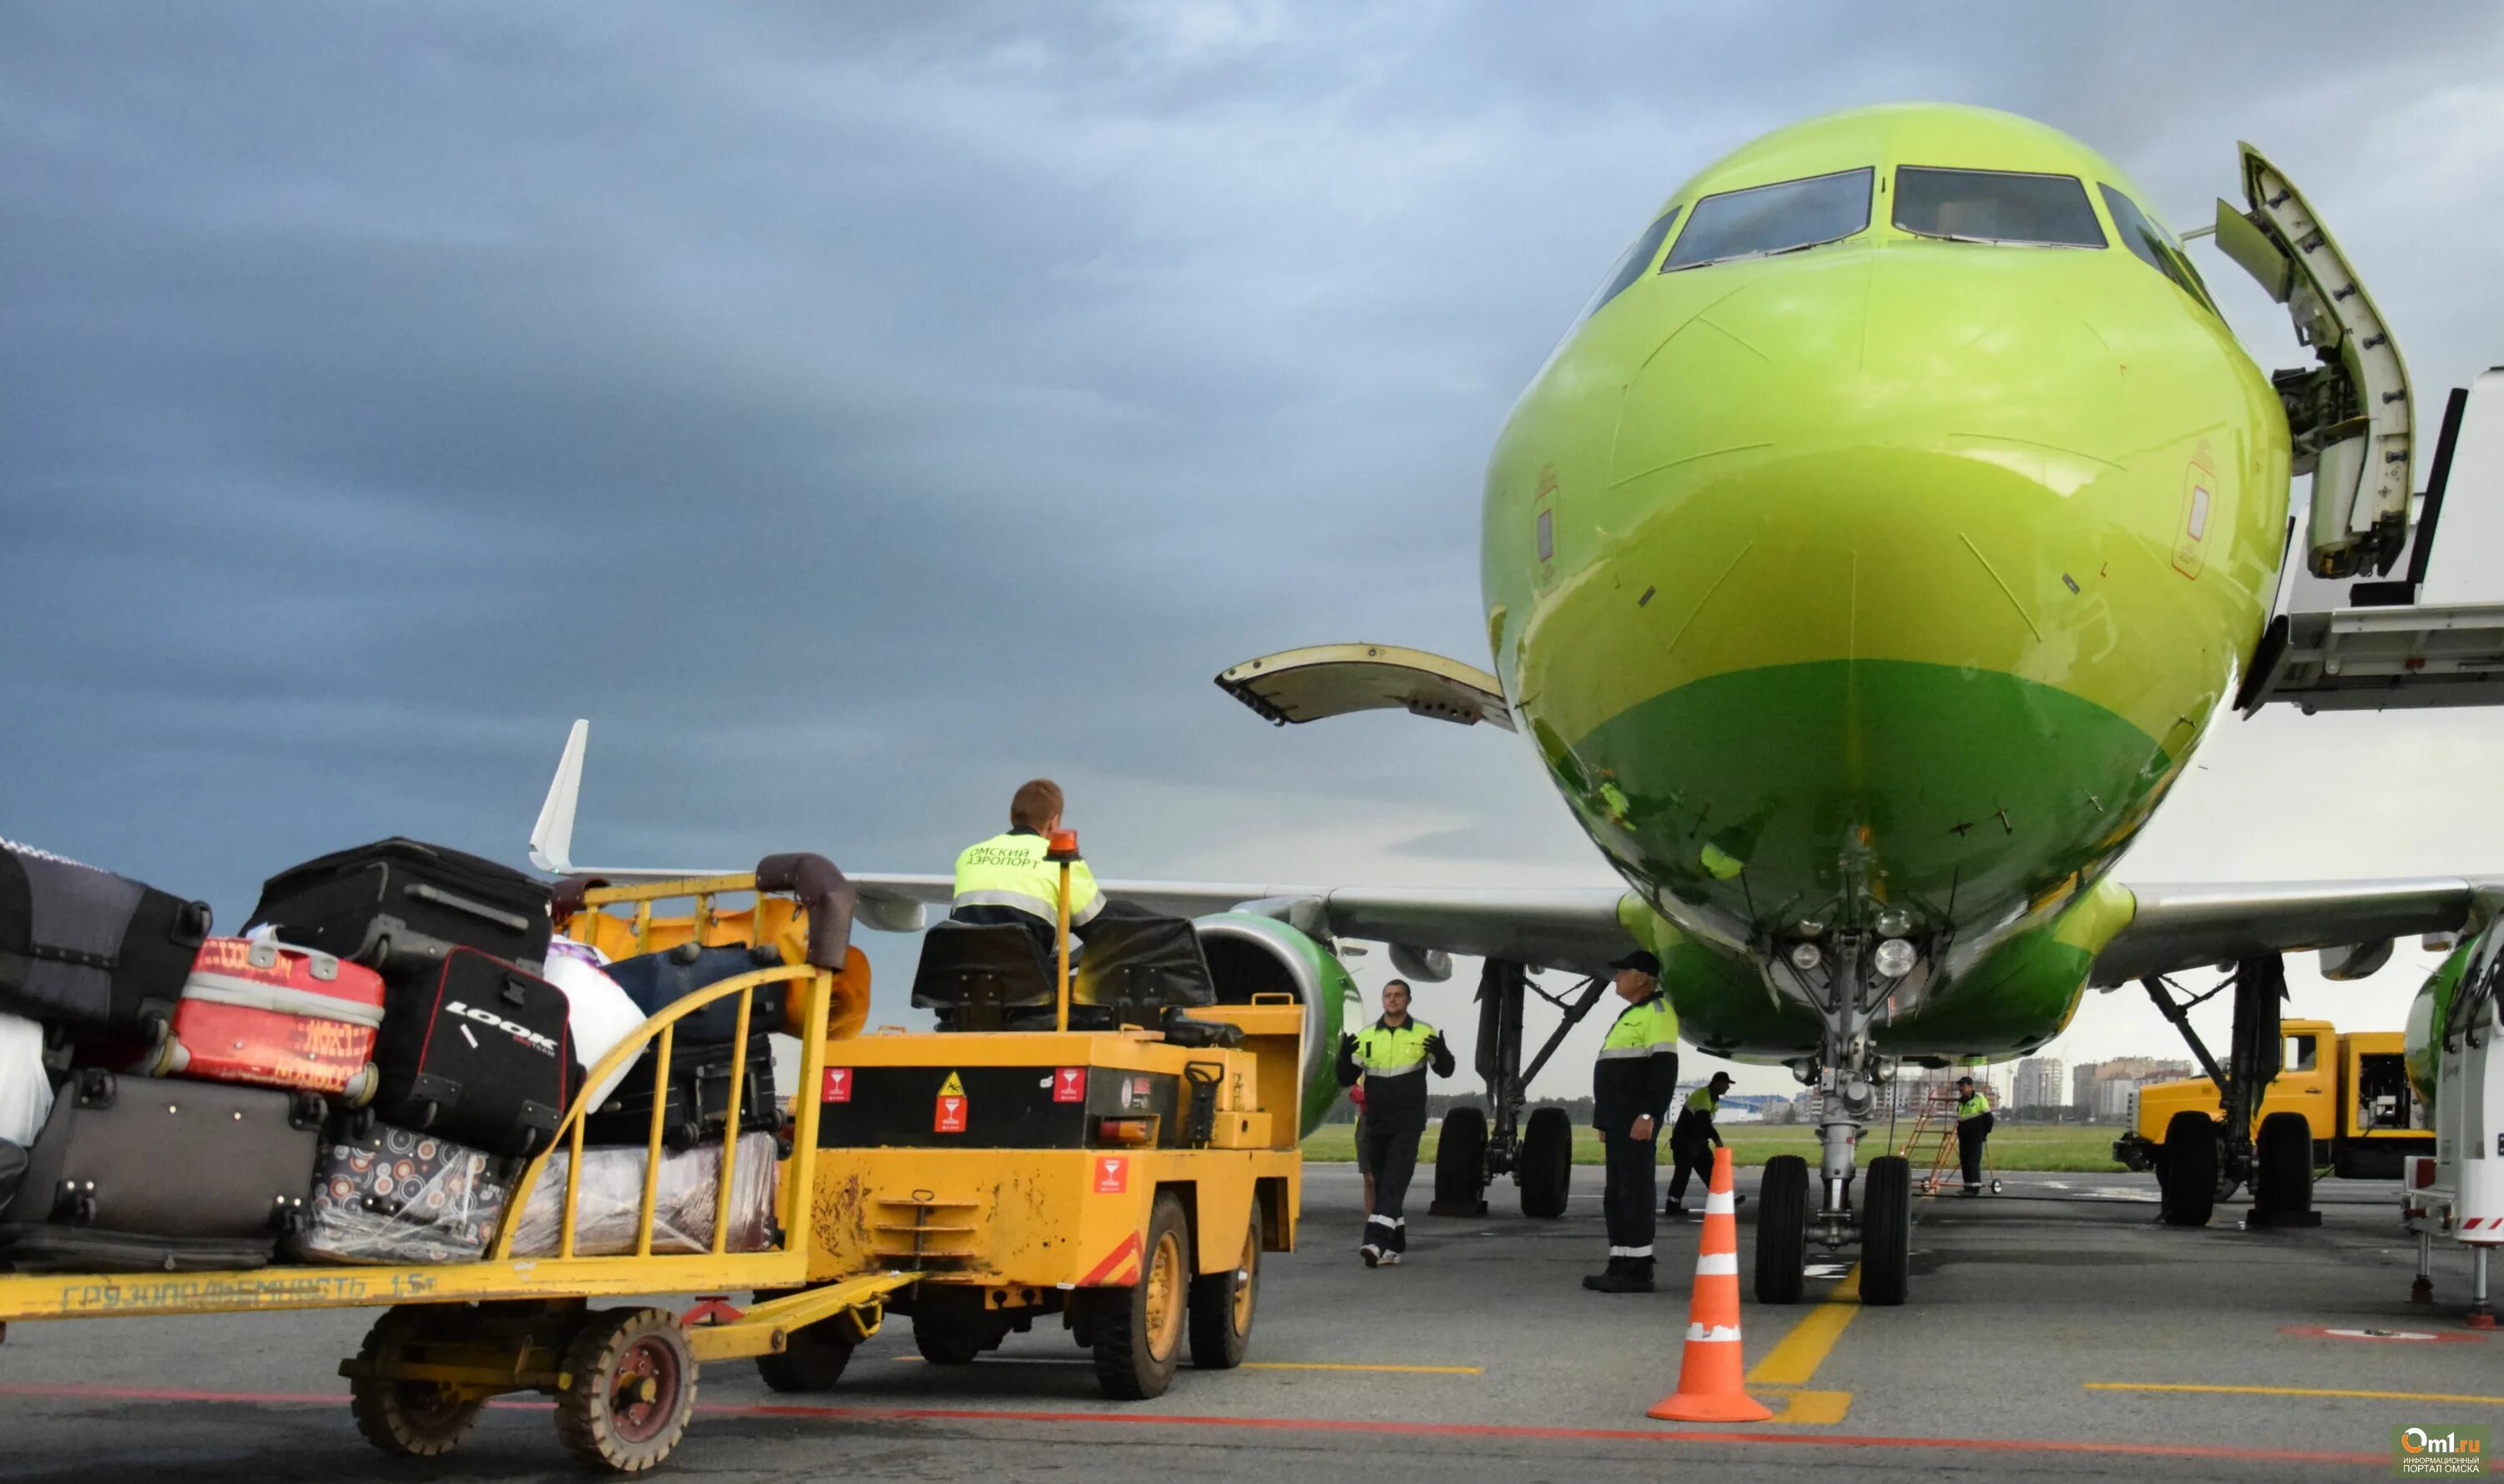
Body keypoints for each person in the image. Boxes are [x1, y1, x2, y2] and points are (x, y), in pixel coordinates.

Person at [1335, 980, 1453, 1266]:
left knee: (1394, 1181)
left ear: (1408, 1000)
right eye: (1388, 995)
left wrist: (1442, 1052)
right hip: (1376, 1122)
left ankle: (1374, 1241)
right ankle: (1394, 1244)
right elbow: (1345, 1079)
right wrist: (1343, 1057)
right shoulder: (1366, 1036)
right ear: (1382, 1001)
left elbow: (1446, 1071)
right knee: (1382, 1180)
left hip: (1407, 1122)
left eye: (1398, 995)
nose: (1393, 1000)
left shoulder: (1423, 1032)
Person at [1584, 950, 1679, 1294]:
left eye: (1623, 972)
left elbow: (1664, 1069)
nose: (1616, 977)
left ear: (1642, 977)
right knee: (1617, 1194)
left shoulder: (1657, 1013)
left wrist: (1648, 1114)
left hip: (1634, 1121)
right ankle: (1619, 1263)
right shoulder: (1633, 1014)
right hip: (1618, 1121)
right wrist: (1604, 1121)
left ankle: (1638, 1269)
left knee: (1634, 1192)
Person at [950, 779, 1106, 959]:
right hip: (1028, 981)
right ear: (1054, 823)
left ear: (1011, 816)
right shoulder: (1062, 860)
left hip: (964, 979)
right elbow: (1099, 928)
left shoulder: (969, 856)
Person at [1663, 1071, 1735, 1218]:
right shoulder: (1703, 1096)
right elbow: (1703, 1121)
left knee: (1711, 1172)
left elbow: (1704, 1124)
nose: (1728, 1088)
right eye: (1726, 1084)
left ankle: (1722, 1200)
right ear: (1717, 1083)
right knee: (1682, 1174)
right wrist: (1717, 1139)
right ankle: (1672, 1205)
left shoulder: (1713, 1100)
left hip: (1698, 1143)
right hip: (1685, 1142)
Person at [1956, 1075, 1994, 1194]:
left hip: (1975, 1136)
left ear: (1970, 1087)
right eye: (1960, 1086)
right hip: (1964, 1137)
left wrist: (1984, 1133)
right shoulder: (1961, 1102)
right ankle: (1968, 1187)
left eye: (1963, 1086)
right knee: (1965, 1161)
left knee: (1973, 1161)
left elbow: (1989, 1119)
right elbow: (1961, 1119)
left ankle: (1975, 1188)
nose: (1961, 1088)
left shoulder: (1979, 1098)